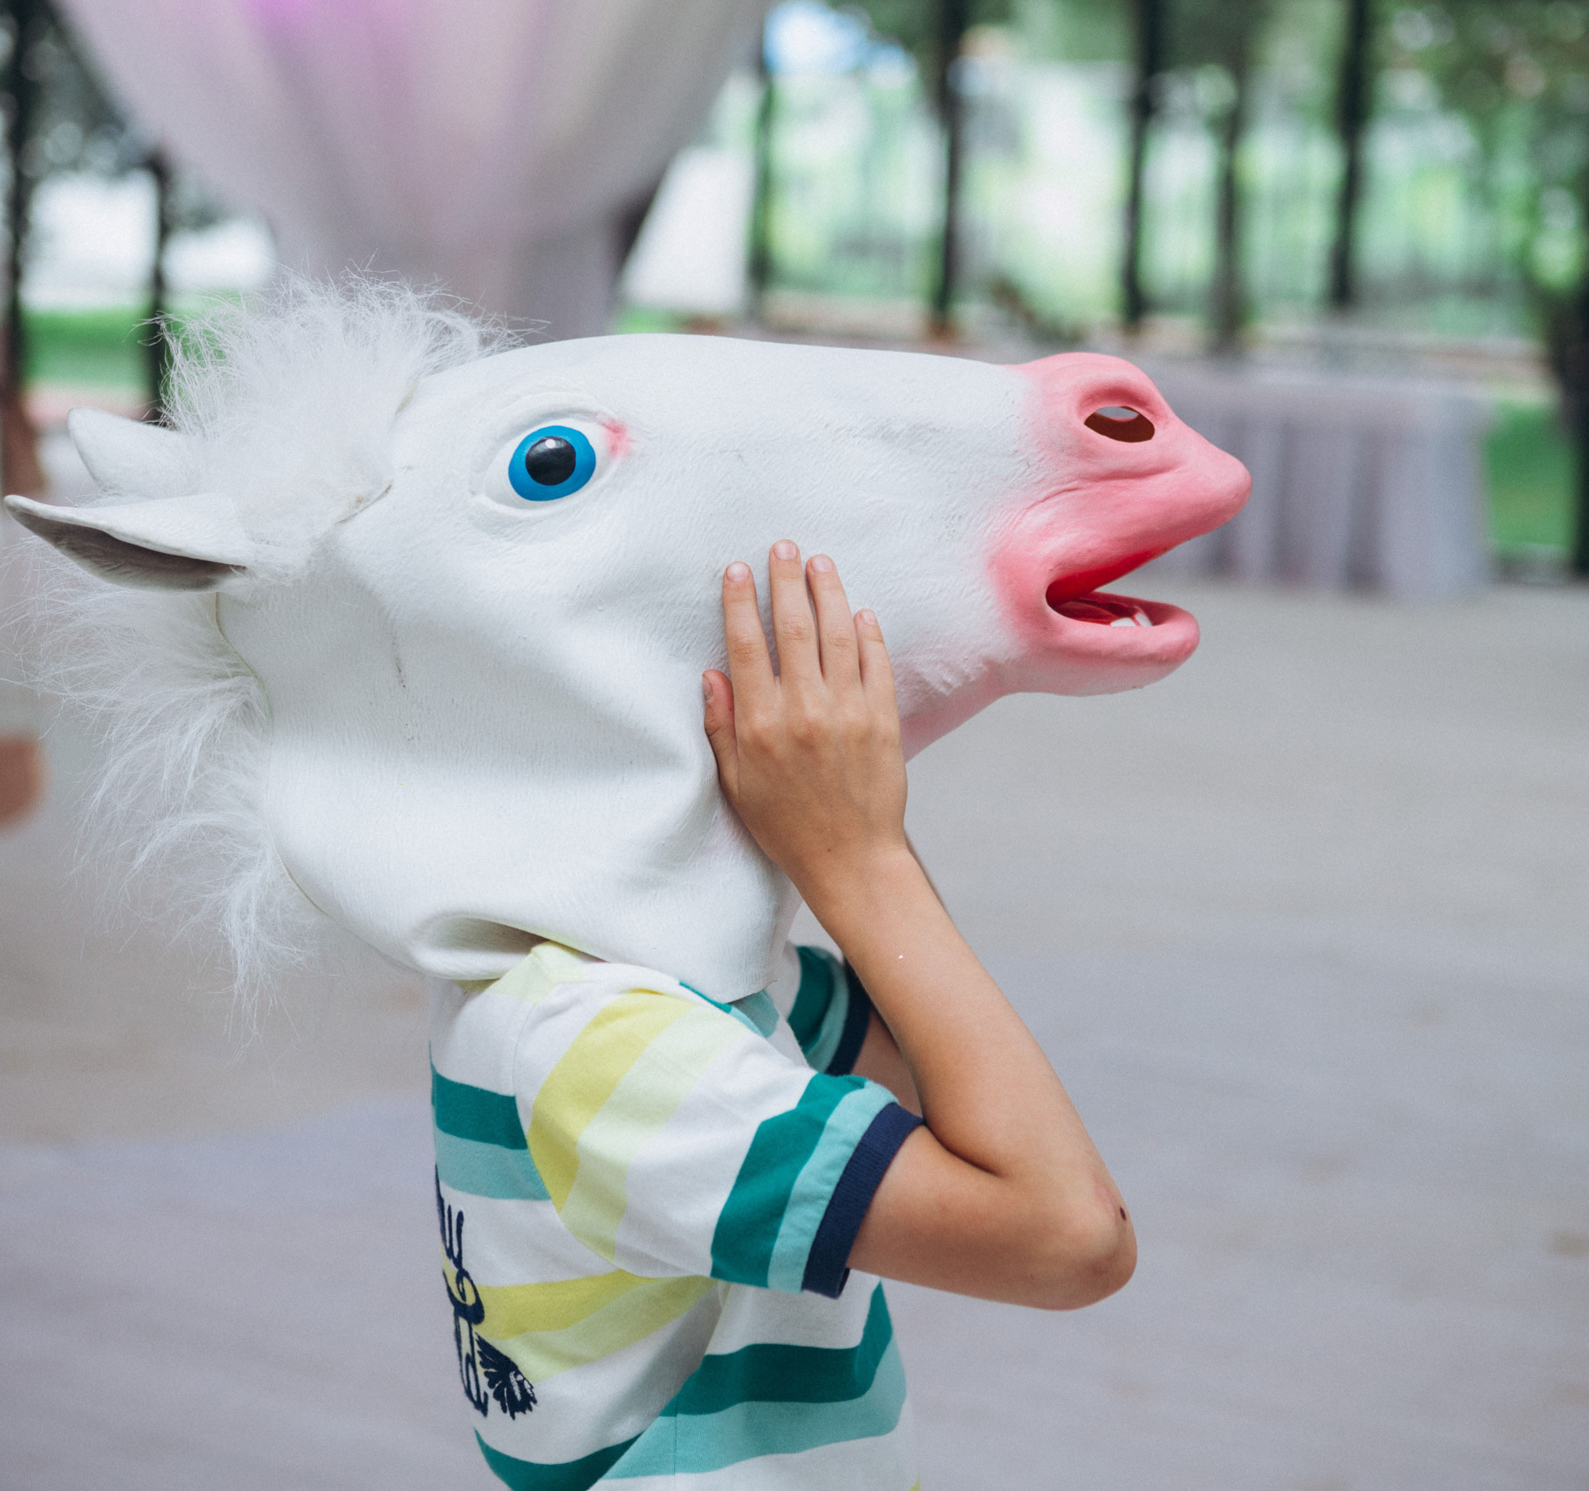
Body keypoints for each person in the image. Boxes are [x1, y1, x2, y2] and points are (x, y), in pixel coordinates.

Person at [431, 542, 1133, 1487]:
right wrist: (854, 851)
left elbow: (937, 1082)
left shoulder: (592, 975)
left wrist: (851, 817)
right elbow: (1069, 1237)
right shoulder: (606, 1046)